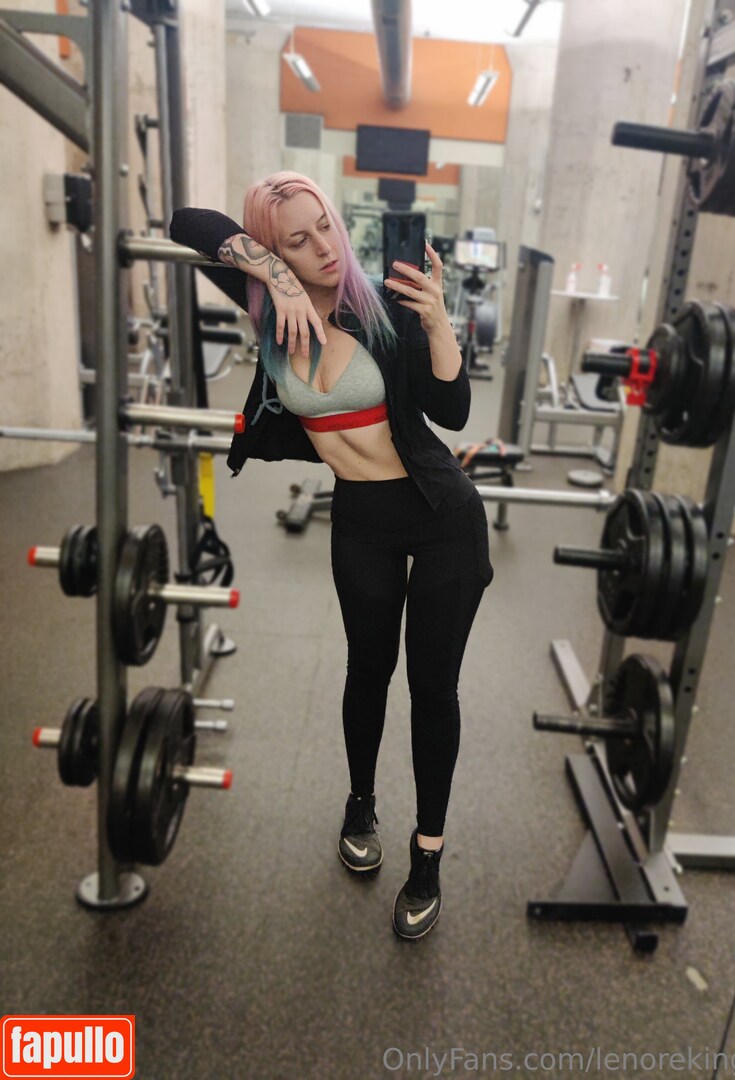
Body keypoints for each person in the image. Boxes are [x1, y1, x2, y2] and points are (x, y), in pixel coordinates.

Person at [170, 171, 494, 941]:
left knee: (432, 688)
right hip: (361, 520)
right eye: (296, 239)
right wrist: (273, 277)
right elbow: (185, 220)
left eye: (325, 227)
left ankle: (427, 854)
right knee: (366, 671)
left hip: (442, 518)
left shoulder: (379, 306)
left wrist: (439, 323)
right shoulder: (265, 302)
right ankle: (360, 806)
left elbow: (452, 411)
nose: (322, 247)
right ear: (271, 249)